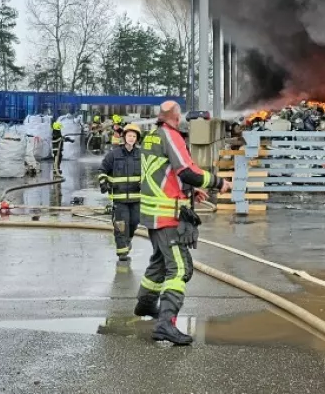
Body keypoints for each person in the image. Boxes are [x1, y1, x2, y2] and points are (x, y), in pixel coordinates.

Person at [133, 101, 231, 345]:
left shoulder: (151, 136)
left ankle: (145, 304)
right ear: (176, 118)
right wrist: (218, 182)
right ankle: (166, 324)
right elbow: (186, 171)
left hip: (152, 213)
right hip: (168, 216)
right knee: (179, 268)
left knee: (160, 260)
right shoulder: (171, 135)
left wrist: (190, 191)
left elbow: (165, 172)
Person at [97, 123, 142, 261]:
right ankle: (122, 253)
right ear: (124, 137)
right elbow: (102, 170)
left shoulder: (142, 155)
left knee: (134, 222)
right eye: (129, 135)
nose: (131, 138)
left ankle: (126, 242)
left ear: (137, 138)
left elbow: (149, 172)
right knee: (121, 224)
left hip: (136, 197)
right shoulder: (114, 154)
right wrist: (103, 181)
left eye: (134, 136)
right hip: (119, 198)